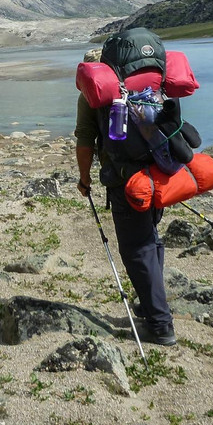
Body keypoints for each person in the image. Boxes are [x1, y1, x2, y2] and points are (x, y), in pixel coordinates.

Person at [75, 44, 177, 347]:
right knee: (151, 238)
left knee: (136, 248)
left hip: (125, 181)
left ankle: (160, 325)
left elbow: (84, 139)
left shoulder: (93, 95)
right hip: (158, 172)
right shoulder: (142, 84)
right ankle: (151, 306)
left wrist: (84, 179)